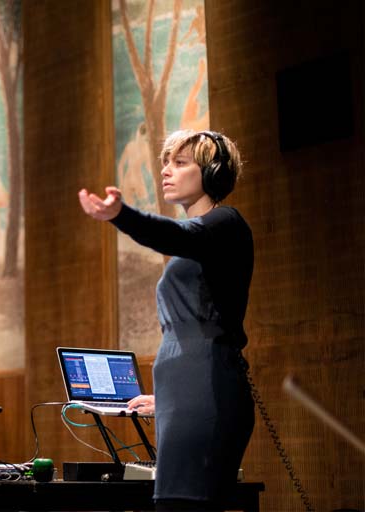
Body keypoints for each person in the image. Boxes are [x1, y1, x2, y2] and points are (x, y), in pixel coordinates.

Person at [78, 129, 254, 511]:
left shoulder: (225, 223)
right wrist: (169, 398)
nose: (166, 170)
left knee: (186, 504)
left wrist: (121, 215)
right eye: (165, 162)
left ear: (211, 171)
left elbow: (175, 236)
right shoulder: (198, 244)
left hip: (206, 391)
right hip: (186, 395)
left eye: (180, 162)